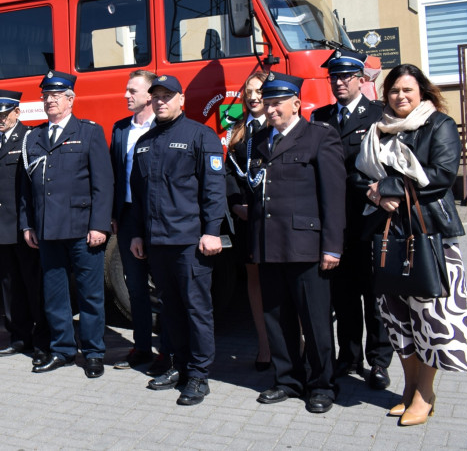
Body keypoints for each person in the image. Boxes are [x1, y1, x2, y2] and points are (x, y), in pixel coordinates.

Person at [355, 64, 467, 426]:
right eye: (394, 90)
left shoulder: (439, 124)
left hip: (429, 235)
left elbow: (441, 174)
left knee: (431, 319)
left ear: (421, 91)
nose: (400, 96)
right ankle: (408, 389)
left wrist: (387, 189)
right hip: (389, 235)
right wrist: (375, 195)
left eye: (407, 90)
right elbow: (360, 174)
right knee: (396, 317)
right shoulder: (377, 130)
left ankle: (425, 394)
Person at [245, 73, 345, 414]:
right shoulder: (259, 140)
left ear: (296, 104)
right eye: (268, 103)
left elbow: (333, 196)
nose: (271, 109)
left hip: (306, 245)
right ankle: (287, 379)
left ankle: (322, 384)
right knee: (276, 317)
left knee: (315, 321)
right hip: (269, 243)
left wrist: (332, 247)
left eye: (277, 103)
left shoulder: (319, 137)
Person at [128, 75, 226, 405]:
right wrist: (139, 233)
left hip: (190, 242)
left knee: (196, 309)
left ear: (181, 100)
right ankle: (179, 366)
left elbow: (214, 190)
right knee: (170, 311)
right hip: (157, 243)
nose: (161, 102)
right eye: (156, 96)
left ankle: (199, 375)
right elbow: (139, 196)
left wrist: (212, 231)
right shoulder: (144, 142)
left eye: (168, 96)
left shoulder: (201, 135)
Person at [20, 70, 114, 378]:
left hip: (81, 229)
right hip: (47, 230)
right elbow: (26, 188)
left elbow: (103, 183)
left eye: (55, 95)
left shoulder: (89, 132)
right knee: (55, 295)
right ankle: (62, 349)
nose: (49, 100)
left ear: (70, 100)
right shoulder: (33, 137)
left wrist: (99, 226)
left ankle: (94, 352)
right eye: (45, 95)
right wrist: (27, 225)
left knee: (90, 295)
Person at [311, 49, 392, 389]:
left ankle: (379, 361)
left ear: (361, 79)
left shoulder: (377, 116)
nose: (339, 82)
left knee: (374, 298)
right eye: (334, 77)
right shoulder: (320, 116)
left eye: (346, 76)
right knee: (343, 299)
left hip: (370, 221)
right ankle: (349, 356)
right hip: (336, 226)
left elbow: (388, 165)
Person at [109, 70, 172, 376]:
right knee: (136, 288)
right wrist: (113, 215)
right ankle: (142, 347)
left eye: (132, 90)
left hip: (158, 216)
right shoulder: (120, 130)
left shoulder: (162, 129)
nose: (126, 95)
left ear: (150, 95)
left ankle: (169, 352)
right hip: (129, 215)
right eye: (126, 90)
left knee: (165, 286)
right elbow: (114, 175)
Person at [0, 89, 49, 365]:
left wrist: (30, 224)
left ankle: (43, 341)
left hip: (24, 228)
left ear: (17, 113)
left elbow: (33, 188)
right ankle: (19, 337)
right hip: (1, 228)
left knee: (34, 286)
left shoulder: (29, 138)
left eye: (4, 114)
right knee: (9, 287)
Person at [224, 72, 272, 372]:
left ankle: (295, 345)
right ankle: (265, 346)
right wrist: (235, 203)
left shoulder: (280, 126)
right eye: (248, 91)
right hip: (246, 217)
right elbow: (229, 173)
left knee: (280, 284)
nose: (253, 97)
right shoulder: (238, 130)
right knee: (254, 282)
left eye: (259, 91)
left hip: (275, 217)